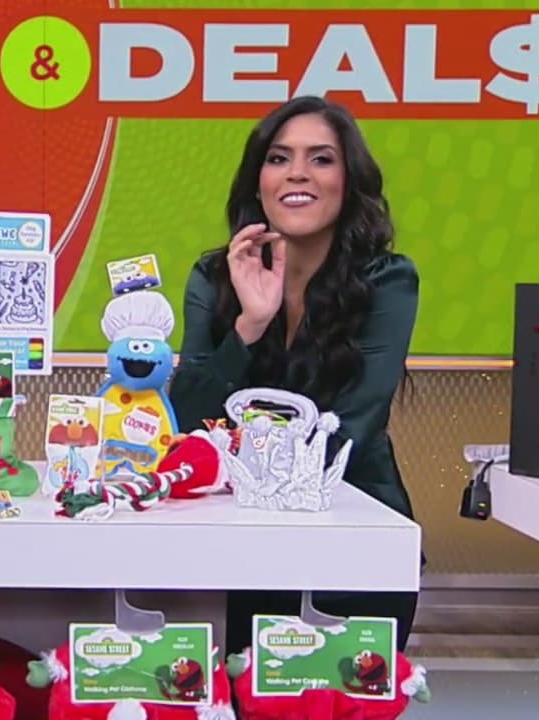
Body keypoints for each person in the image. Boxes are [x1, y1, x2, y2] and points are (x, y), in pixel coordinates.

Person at [168, 95, 421, 657]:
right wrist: (250, 325)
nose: (297, 173)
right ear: (257, 180)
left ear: (349, 181)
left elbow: (353, 427)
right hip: (233, 550)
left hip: (354, 540)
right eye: (279, 158)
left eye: (321, 158)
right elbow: (186, 419)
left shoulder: (388, 280)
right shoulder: (214, 277)